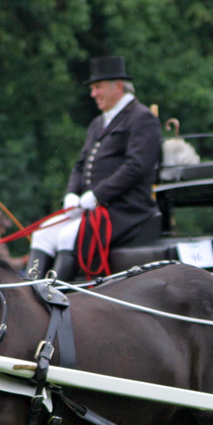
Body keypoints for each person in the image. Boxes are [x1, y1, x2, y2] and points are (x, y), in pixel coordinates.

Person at [28, 56, 163, 281]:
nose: (93, 94)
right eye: (92, 88)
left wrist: (98, 195)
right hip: (92, 208)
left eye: (98, 87)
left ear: (117, 86)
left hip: (126, 210)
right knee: (42, 234)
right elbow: (81, 165)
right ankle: (30, 294)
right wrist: (71, 194)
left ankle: (54, 296)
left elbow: (136, 166)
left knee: (69, 235)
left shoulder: (142, 118)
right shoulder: (98, 123)